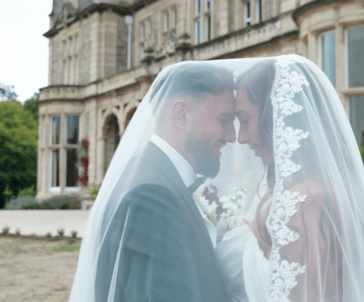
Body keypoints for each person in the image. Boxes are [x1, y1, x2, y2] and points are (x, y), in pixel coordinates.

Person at [68, 61, 237, 302]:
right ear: (181, 115)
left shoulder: (155, 179)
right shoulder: (151, 198)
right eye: (224, 119)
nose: (232, 135)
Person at [216, 55, 364, 301]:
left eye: (245, 121)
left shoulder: (303, 200)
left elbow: (304, 294)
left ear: (274, 119)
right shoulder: (292, 192)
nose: (240, 138)